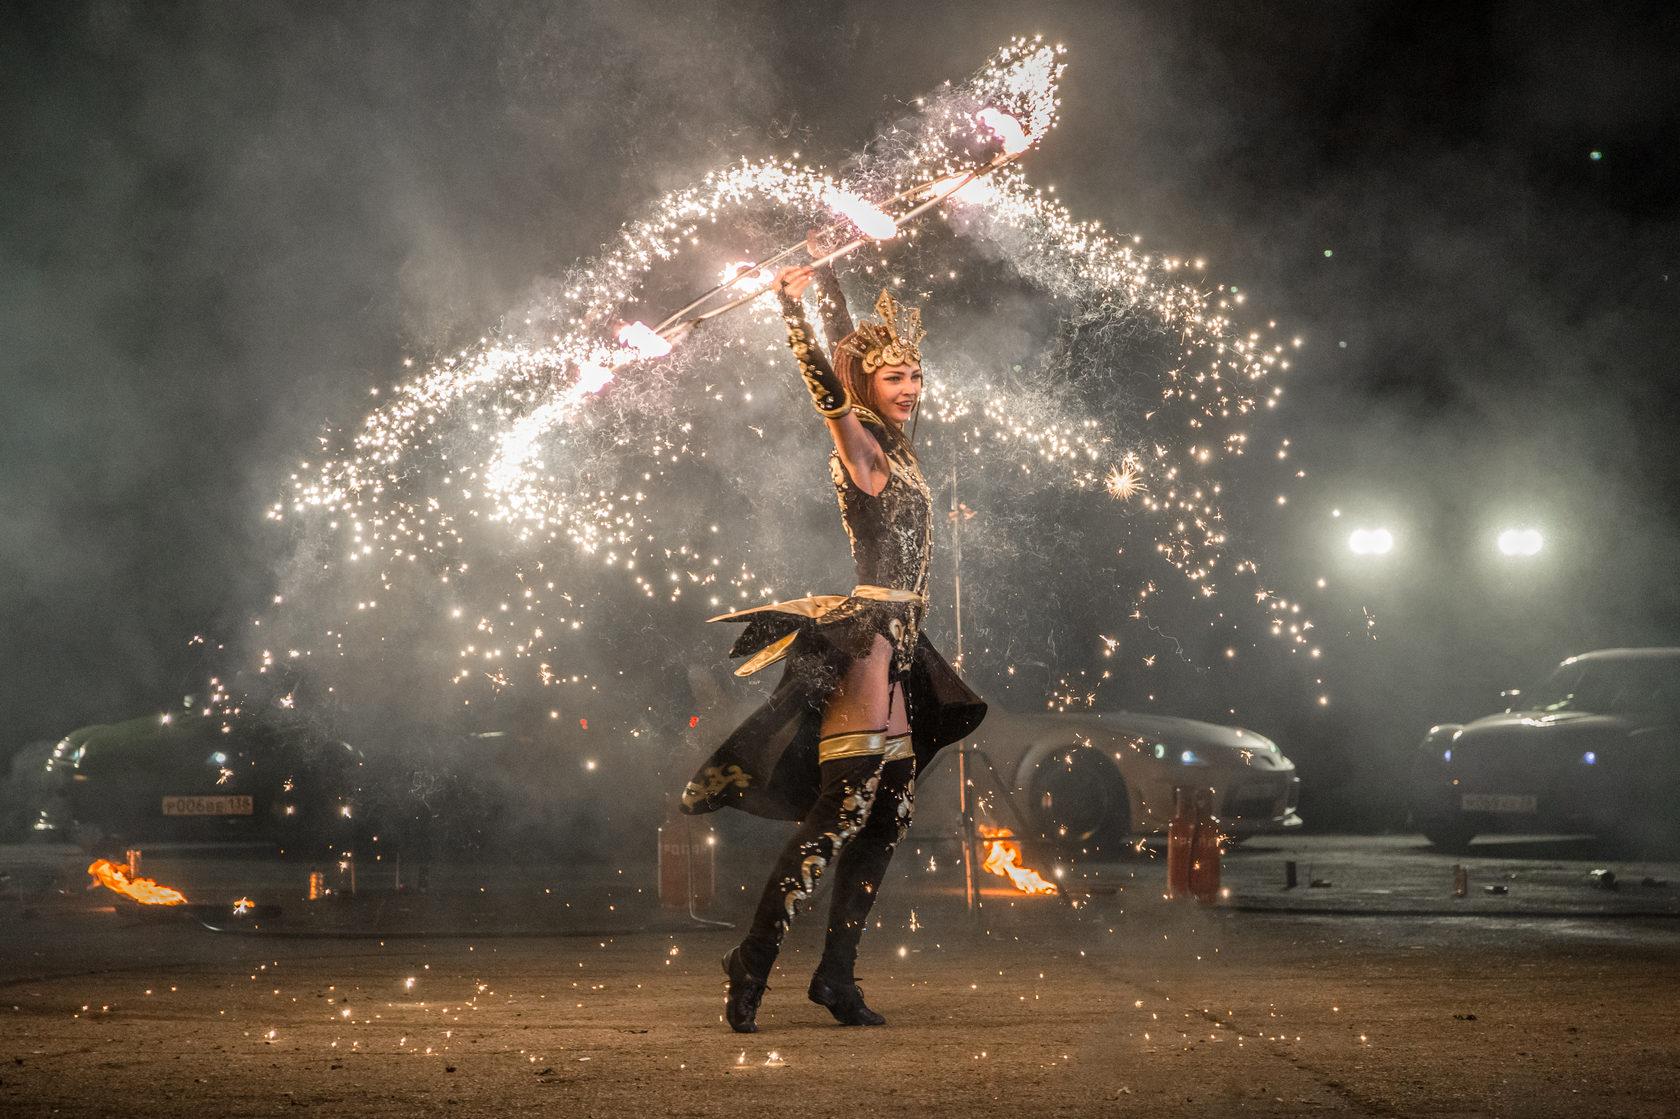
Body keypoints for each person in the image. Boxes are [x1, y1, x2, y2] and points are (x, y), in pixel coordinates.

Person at [679, 239, 985, 1032]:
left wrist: (831, 278)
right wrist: (790, 306)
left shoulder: (901, 452)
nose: (910, 387)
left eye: (915, 375)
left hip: (905, 647)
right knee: (842, 812)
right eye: (895, 378)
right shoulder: (862, 448)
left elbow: (847, 357)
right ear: (867, 388)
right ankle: (752, 959)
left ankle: (836, 976)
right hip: (868, 641)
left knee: (887, 815)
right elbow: (829, 390)